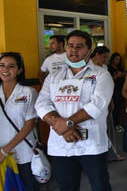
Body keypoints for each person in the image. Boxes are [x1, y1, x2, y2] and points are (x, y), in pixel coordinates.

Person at [35, 30, 114, 191]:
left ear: (89, 51)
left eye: (79, 46)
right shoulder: (54, 77)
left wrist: (68, 123)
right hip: (61, 144)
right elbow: (41, 103)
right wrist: (60, 125)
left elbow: (97, 105)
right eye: (70, 46)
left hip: (92, 145)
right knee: (67, 187)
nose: (74, 50)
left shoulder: (101, 75)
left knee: (100, 186)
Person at [0, 52, 40, 191]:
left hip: (23, 154)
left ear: (19, 70)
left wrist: (5, 150)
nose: (5, 70)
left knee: (27, 187)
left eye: (11, 66)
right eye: (2, 65)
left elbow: (30, 125)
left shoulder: (28, 93)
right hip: (1, 156)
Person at [91, 46, 125, 162]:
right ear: (96, 55)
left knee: (106, 128)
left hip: (105, 100)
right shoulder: (89, 67)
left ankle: (110, 153)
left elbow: (107, 87)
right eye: (104, 57)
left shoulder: (104, 68)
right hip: (92, 101)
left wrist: (111, 101)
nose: (105, 60)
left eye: (107, 57)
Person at [108, 52, 126, 132]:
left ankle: (118, 123)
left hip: (120, 90)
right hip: (113, 90)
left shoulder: (120, 68)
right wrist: (116, 76)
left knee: (119, 108)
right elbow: (108, 80)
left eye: (119, 59)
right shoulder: (109, 68)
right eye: (116, 59)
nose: (117, 61)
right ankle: (114, 124)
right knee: (114, 108)